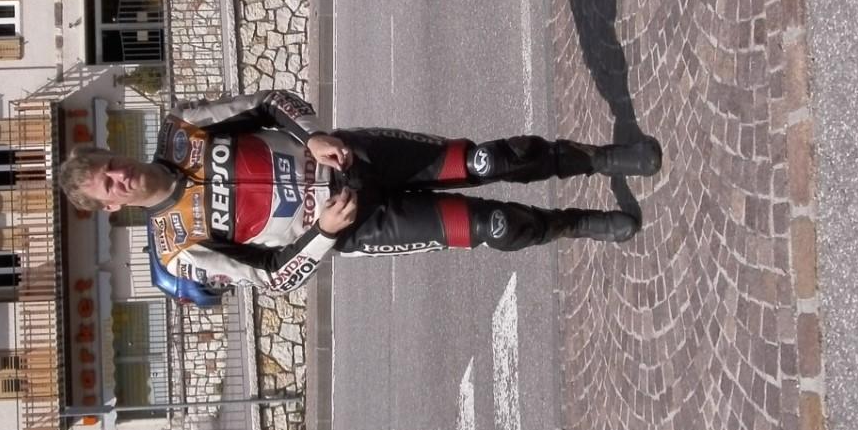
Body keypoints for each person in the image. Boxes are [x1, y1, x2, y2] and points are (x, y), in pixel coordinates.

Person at [58, 89, 661, 294]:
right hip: (355, 225)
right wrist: (323, 233)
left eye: (111, 165)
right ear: (110, 205)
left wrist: (313, 135)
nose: (119, 176)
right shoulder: (177, 251)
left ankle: (599, 158)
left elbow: (269, 100)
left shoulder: (183, 127)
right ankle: (577, 223)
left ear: (115, 153)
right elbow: (273, 277)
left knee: (489, 159)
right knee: (497, 227)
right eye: (108, 185)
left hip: (359, 155)